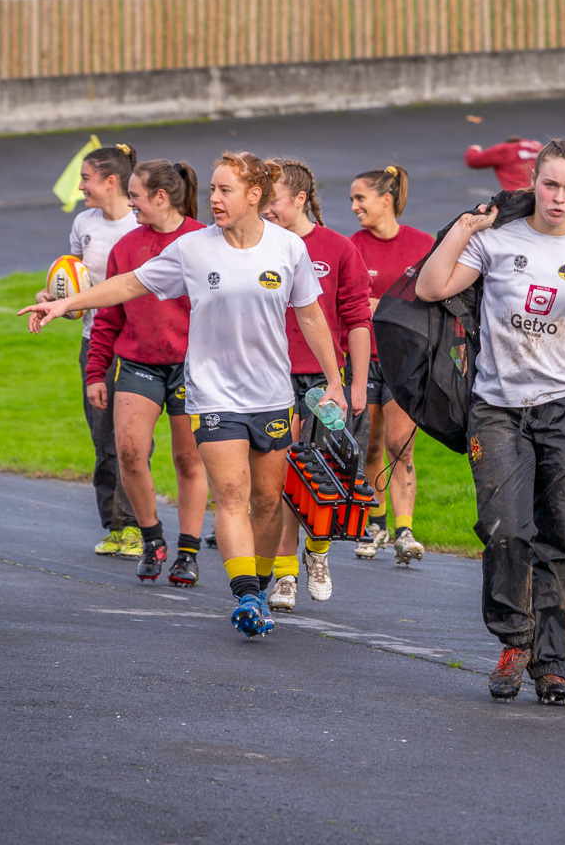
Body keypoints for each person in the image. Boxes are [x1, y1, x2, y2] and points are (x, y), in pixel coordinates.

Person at [23, 152, 345, 641]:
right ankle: (247, 596)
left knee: (266, 500)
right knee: (232, 496)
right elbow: (129, 284)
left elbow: (311, 316)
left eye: (225, 191)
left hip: (272, 396)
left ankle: (258, 581)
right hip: (213, 396)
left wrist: (336, 381)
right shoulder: (194, 249)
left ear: (254, 196)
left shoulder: (287, 248)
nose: (213, 199)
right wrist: (68, 302)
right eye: (212, 190)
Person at [416, 138, 565, 705]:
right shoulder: (498, 241)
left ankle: (553, 665)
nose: (558, 197)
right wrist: (469, 226)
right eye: (550, 184)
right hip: (497, 408)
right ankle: (515, 637)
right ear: (534, 181)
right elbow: (431, 287)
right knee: (504, 528)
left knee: (559, 538)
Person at [85, 160, 208, 585]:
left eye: (136, 195)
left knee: (188, 459)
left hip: (191, 368)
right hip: (138, 363)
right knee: (130, 452)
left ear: (161, 197)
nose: (130, 202)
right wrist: (96, 371)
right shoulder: (127, 245)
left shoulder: (203, 240)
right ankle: (153, 538)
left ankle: (188, 551)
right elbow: (108, 315)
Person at [260, 159, 371, 610]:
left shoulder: (338, 249)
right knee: (284, 478)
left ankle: (317, 555)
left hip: (325, 384)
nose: (265, 210)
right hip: (271, 378)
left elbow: (359, 320)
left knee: (324, 477)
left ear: (301, 199)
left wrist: (355, 383)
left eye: (273, 201)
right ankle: (284, 576)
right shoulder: (258, 246)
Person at [50, 144, 143, 559]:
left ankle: (134, 524)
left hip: (135, 345)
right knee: (102, 438)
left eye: (85, 178)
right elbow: (69, 278)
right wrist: (53, 298)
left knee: (132, 441)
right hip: (94, 343)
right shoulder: (83, 222)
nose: (80, 186)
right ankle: (113, 523)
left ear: (111, 181)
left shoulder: (140, 225)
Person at [347, 164, 435, 564]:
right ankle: (375, 523)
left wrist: (380, 307)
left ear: (386, 200)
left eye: (360, 198)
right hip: (364, 362)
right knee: (368, 445)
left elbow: (431, 301)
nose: (354, 207)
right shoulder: (352, 246)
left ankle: (404, 530)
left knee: (401, 444)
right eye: (352, 199)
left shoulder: (422, 244)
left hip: (406, 362)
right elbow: (345, 305)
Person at [464, 136, 542, 192]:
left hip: (518, 197)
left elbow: (473, 160)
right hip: (541, 194)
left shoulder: (506, 149)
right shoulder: (539, 148)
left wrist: (473, 149)